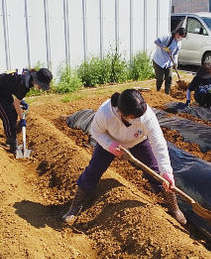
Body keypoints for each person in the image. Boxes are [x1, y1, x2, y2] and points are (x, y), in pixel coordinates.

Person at [62, 89, 187, 225]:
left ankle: (174, 208)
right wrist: (110, 145)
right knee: (94, 170)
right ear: (122, 114)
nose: (139, 120)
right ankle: (74, 207)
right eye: (135, 117)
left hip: (138, 141)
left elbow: (159, 144)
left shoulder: (147, 116)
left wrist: (167, 172)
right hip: (111, 141)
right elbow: (96, 132)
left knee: (156, 173)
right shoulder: (105, 113)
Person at [0, 67, 52, 153]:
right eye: (41, 85)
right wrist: (22, 119)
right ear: (37, 80)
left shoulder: (29, 76)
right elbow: (16, 103)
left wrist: (21, 100)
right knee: (7, 117)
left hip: (5, 91)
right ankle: (13, 143)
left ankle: (10, 138)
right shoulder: (24, 84)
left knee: (13, 114)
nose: (40, 88)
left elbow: (14, 86)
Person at [153, 28, 187, 95]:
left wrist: (175, 63)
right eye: (179, 36)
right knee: (160, 78)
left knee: (169, 78)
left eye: (182, 37)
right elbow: (156, 41)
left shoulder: (179, 43)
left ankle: (167, 94)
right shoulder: (168, 37)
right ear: (177, 33)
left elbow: (176, 54)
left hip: (169, 63)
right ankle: (158, 92)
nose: (180, 38)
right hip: (159, 61)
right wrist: (165, 48)